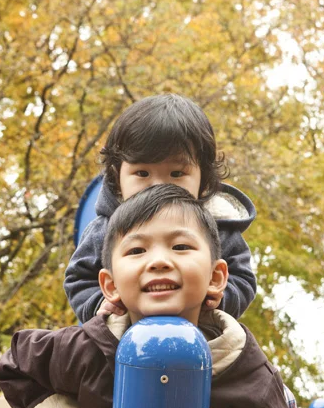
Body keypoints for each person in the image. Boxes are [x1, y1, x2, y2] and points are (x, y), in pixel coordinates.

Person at [0, 185, 309, 408]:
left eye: (180, 247)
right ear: (110, 285)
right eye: (137, 250)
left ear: (216, 278)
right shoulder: (88, 347)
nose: (158, 261)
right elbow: (15, 366)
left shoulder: (242, 364)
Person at [64, 93, 257, 322]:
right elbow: (79, 278)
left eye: (176, 174)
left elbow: (242, 277)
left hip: (200, 338)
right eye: (142, 174)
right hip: (123, 339)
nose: (158, 186)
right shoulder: (105, 229)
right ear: (117, 176)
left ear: (203, 179)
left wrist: (220, 299)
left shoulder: (219, 225)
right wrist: (99, 304)